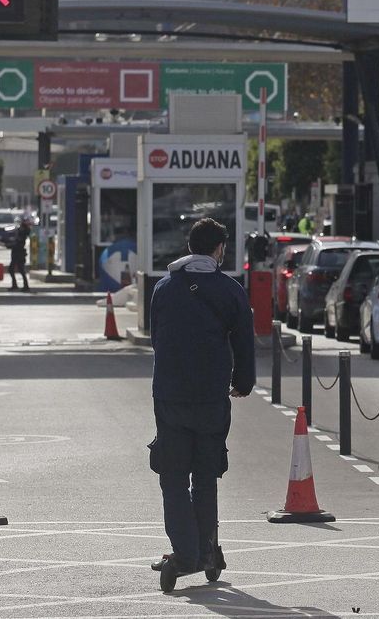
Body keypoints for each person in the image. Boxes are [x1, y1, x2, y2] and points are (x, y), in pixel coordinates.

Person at [148, 218, 254, 586]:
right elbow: (244, 340)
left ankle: (185, 552)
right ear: (219, 249)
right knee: (205, 477)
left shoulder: (164, 288)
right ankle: (206, 550)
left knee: (173, 475)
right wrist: (242, 382)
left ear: (190, 246)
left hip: (171, 395)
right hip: (211, 397)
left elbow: (156, 338)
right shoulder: (230, 290)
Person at [9, 219, 31, 292]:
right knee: (15, 269)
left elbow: (17, 244)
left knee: (19, 269)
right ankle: (17, 285)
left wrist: (8, 245)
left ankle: (24, 285)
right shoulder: (20, 233)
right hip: (17, 252)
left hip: (18, 253)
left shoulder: (22, 234)